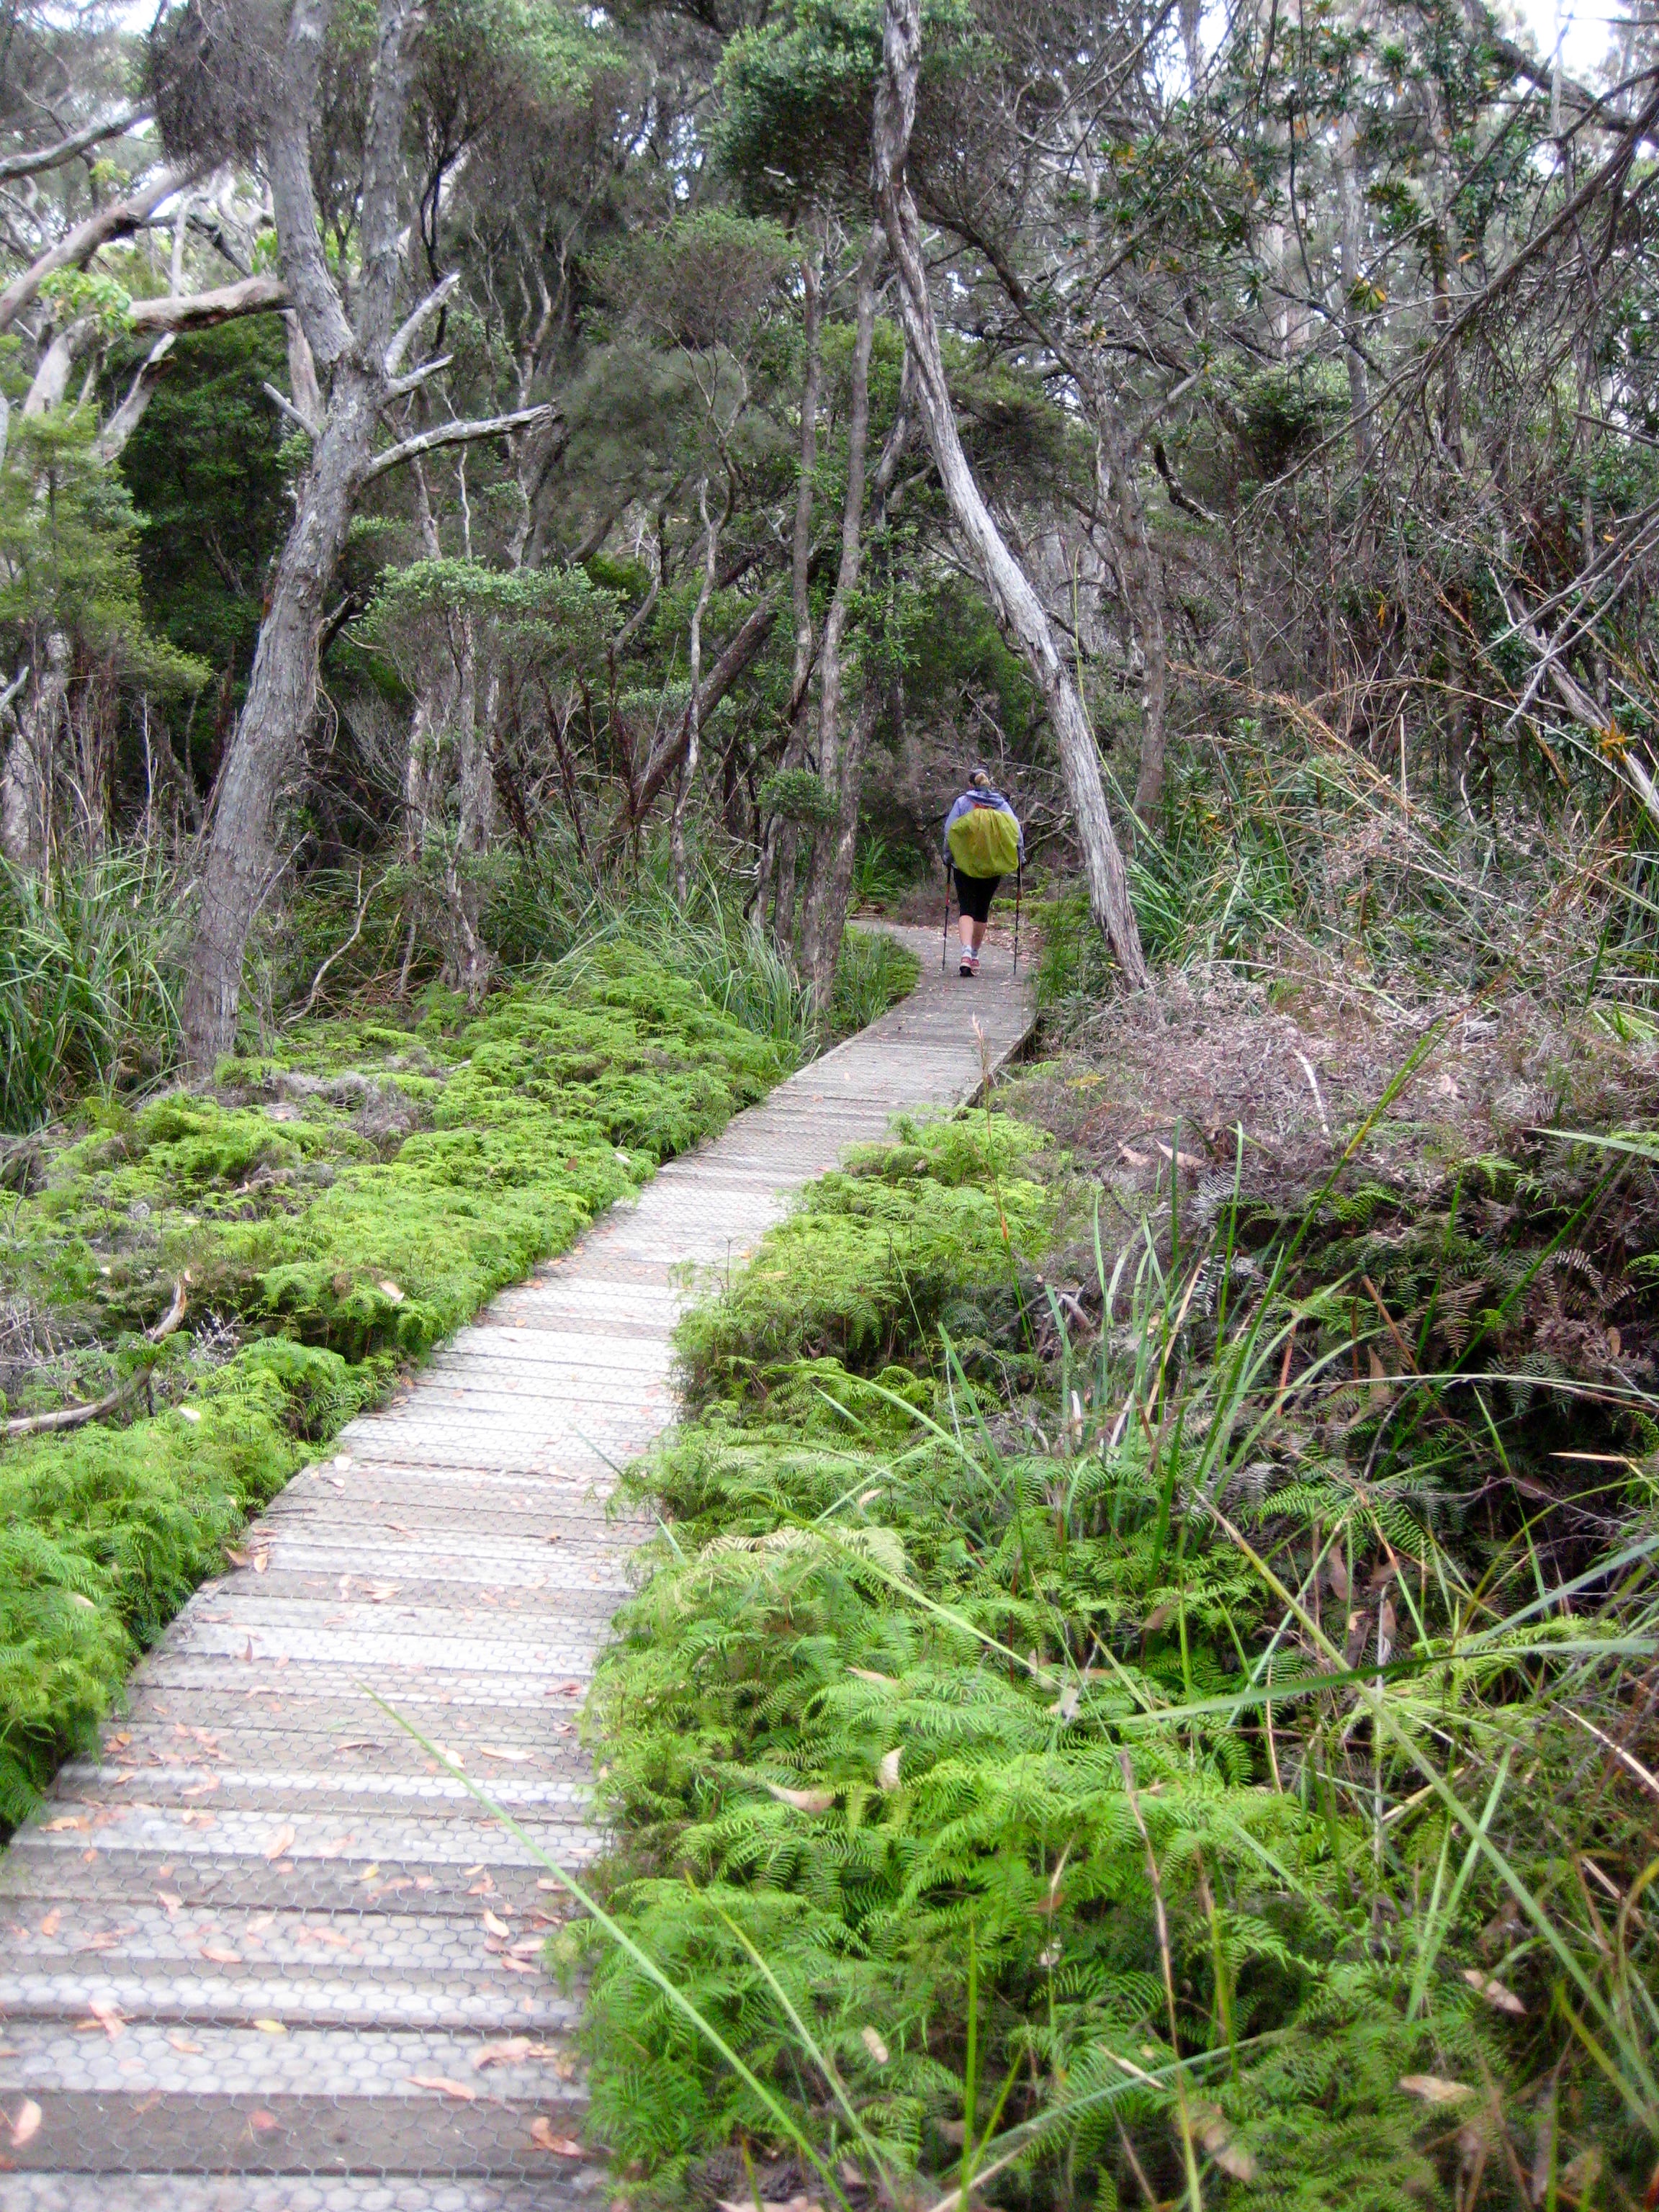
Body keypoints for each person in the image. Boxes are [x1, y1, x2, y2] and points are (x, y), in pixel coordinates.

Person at [943, 769, 1023, 977]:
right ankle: (975, 955)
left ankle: (966, 954)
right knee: (981, 910)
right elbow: (1017, 833)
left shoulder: (962, 803)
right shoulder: (1001, 804)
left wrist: (948, 858)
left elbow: (949, 832)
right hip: (992, 867)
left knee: (966, 909)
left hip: (964, 865)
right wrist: (1020, 859)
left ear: (971, 785)